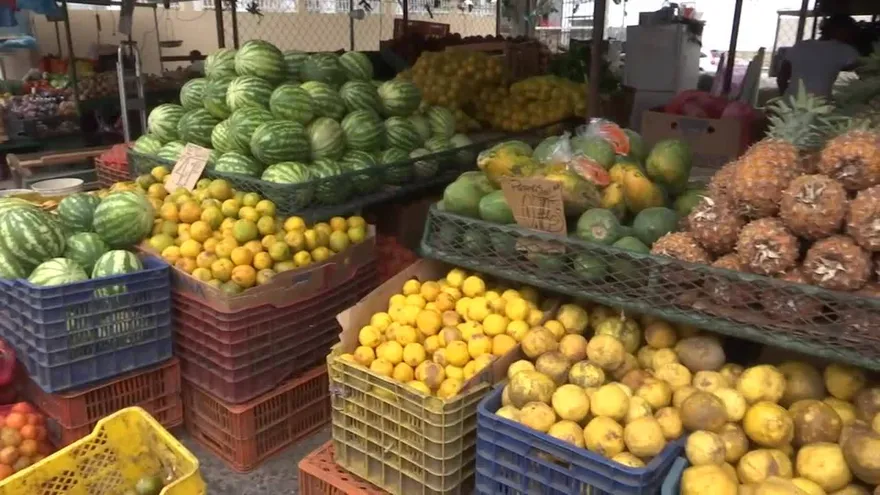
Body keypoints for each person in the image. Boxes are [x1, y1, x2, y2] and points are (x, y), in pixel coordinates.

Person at [777, 14, 861, 98]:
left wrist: (784, 96)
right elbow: (865, 70)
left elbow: (781, 77)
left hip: (790, 102)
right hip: (819, 104)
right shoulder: (845, 50)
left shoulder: (800, 45)